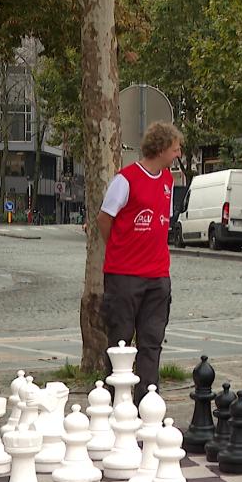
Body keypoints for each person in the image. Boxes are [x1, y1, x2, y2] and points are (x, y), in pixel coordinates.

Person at [97, 122, 181, 405]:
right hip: (124, 275)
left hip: (158, 276)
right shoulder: (126, 180)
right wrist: (119, 248)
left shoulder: (168, 180)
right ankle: (114, 403)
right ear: (161, 148)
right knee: (120, 342)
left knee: (152, 341)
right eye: (175, 148)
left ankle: (147, 402)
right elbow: (104, 218)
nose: (178, 153)